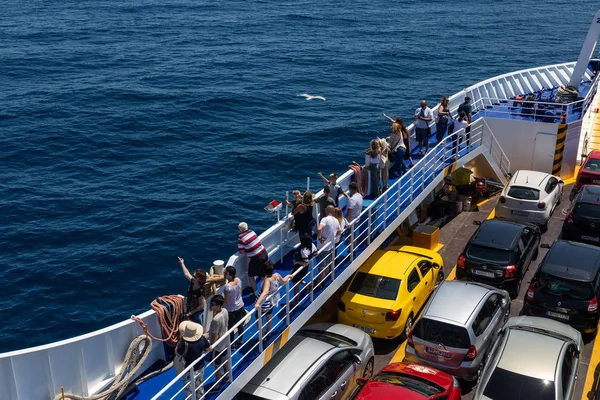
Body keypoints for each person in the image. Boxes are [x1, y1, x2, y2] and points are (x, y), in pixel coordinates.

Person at [255, 262, 292, 338]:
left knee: (258, 319)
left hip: (264, 302)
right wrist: (288, 275)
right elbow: (284, 281)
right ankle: (268, 332)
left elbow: (265, 292)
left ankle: (262, 336)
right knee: (269, 316)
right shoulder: (277, 275)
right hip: (272, 301)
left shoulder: (267, 280)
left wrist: (258, 303)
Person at [176, 321, 210, 397]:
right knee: (200, 385)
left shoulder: (184, 344)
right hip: (200, 367)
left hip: (188, 370)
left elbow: (177, 353)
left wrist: (180, 340)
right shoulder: (202, 339)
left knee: (189, 390)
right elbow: (209, 348)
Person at [237, 222, 268, 297]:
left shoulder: (240, 237)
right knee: (263, 274)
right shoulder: (252, 232)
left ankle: (255, 292)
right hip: (264, 253)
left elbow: (241, 251)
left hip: (256, 258)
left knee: (251, 275)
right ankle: (267, 289)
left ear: (240, 230)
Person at [207, 295, 230, 386]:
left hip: (218, 345)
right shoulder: (225, 311)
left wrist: (211, 346)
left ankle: (217, 385)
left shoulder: (215, 320)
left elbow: (214, 335)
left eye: (212, 304)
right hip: (225, 340)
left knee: (217, 365)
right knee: (225, 357)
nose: (210, 306)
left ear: (218, 305)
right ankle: (227, 375)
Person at [178, 257, 207, 326]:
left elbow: (201, 306)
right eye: (193, 276)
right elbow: (186, 273)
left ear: (199, 279)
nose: (193, 277)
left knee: (197, 328)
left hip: (197, 314)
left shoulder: (200, 291)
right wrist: (182, 263)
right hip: (189, 310)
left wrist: (190, 313)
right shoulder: (192, 282)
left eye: (195, 277)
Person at [317, 205, 341, 287]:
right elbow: (339, 231)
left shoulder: (324, 219)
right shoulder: (336, 220)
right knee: (327, 265)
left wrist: (320, 239)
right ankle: (323, 280)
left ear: (327, 211)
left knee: (321, 267)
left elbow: (319, 229)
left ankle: (319, 284)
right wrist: (333, 238)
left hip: (323, 248)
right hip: (331, 246)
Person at [291, 232, 318, 304]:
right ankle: (308, 285)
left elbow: (305, 263)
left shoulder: (304, 251)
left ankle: (296, 301)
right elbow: (316, 253)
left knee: (295, 284)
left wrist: (297, 262)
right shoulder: (312, 245)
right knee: (298, 279)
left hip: (300, 268)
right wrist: (310, 257)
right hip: (304, 269)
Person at [223, 266, 245, 348]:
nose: (224, 275)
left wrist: (221, 309)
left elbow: (226, 301)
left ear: (231, 275)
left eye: (226, 274)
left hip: (230, 310)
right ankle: (240, 341)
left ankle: (231, 343)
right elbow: (240, 292)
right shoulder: (238, 280)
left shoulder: (227, 287)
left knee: (230, 327)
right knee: (240, 324)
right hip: (240, 306)